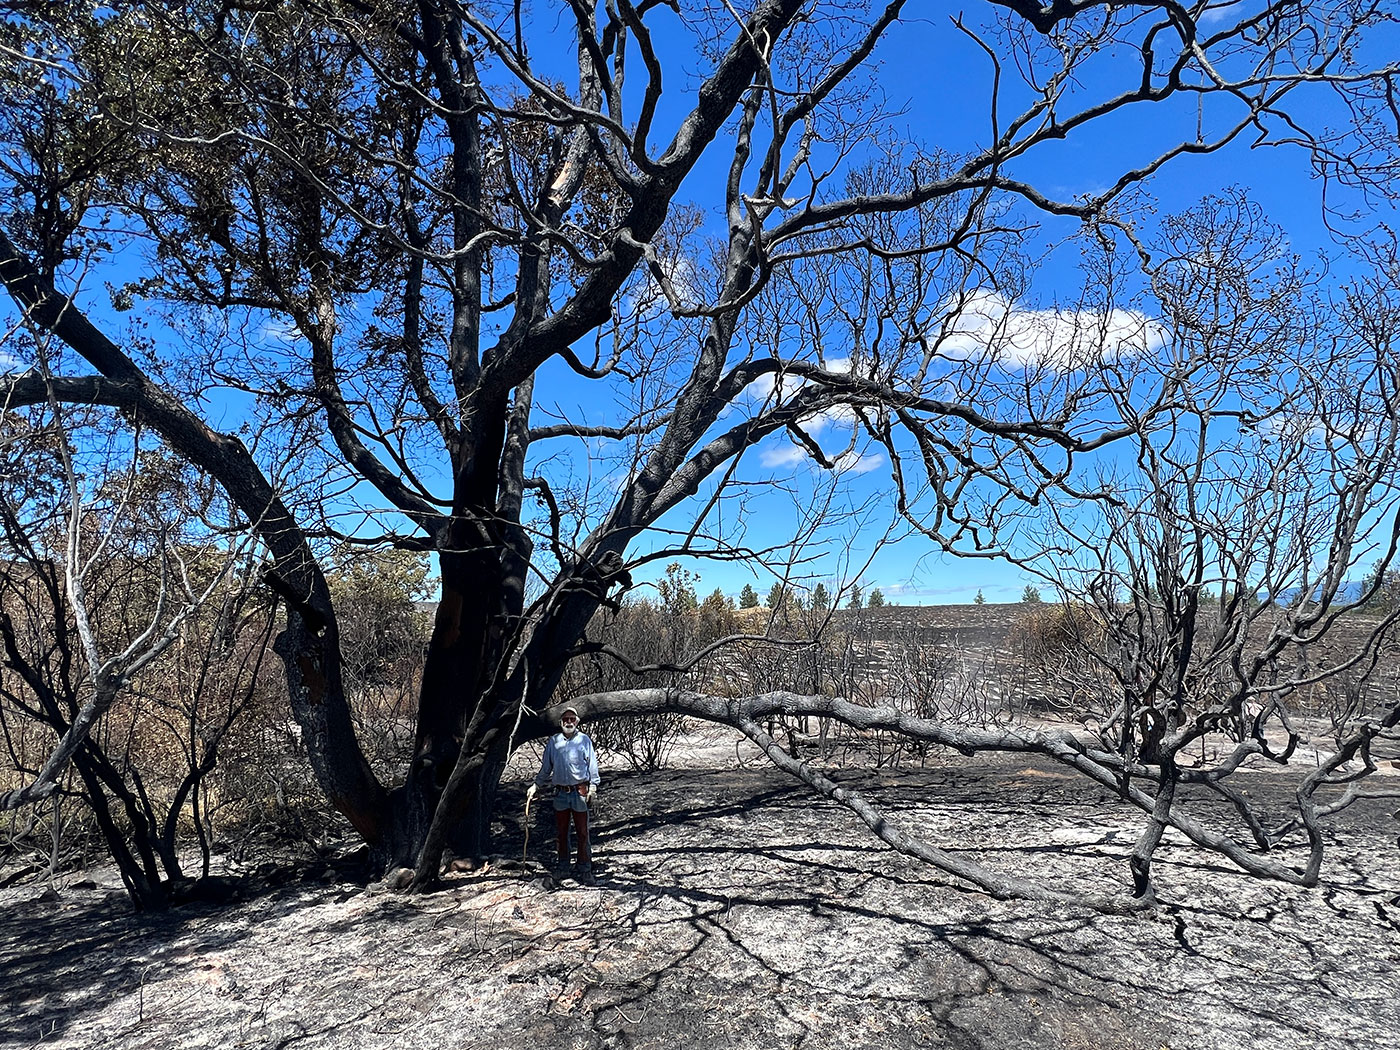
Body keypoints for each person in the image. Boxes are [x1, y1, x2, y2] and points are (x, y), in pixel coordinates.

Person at [527, 705, 600, 885]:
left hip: (580, 792)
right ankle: (563, 867)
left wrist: (593, 788)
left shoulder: (584, 740)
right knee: (561, 832)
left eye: (572, 719)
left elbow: (592, 766)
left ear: (577, 722)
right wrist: (536, 785)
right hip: (561, 794)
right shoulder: (554, 742)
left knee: (583, 832)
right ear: (560, 722)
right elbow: (546, 768)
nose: (569, 722)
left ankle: (585, 868)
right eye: (566, 719)